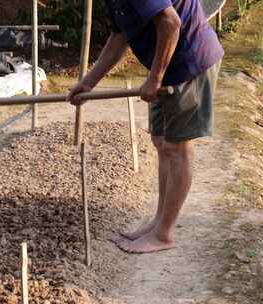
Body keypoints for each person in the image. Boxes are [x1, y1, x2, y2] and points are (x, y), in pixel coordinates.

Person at [67, 0, 223, 254]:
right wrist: (89, 82)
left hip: (189, 61)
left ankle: (163, 234)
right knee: (162, 143)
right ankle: (158, 223)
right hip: (167, 65)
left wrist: (155, 77)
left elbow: (171, 22)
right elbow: (120, 36)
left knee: (177, 147)